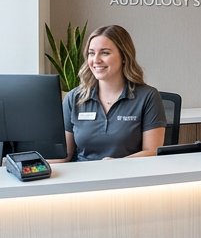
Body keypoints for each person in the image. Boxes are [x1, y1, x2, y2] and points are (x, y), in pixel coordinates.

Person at [62, 25, 166, 161]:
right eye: (91, 53)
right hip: (85, 178)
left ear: (124, 56)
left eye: (105, 53)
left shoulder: (148, 97)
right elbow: (65, 155)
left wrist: (117, 164)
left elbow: (152, 151)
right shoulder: (74, 98)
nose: (96, 60)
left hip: (128, 177)